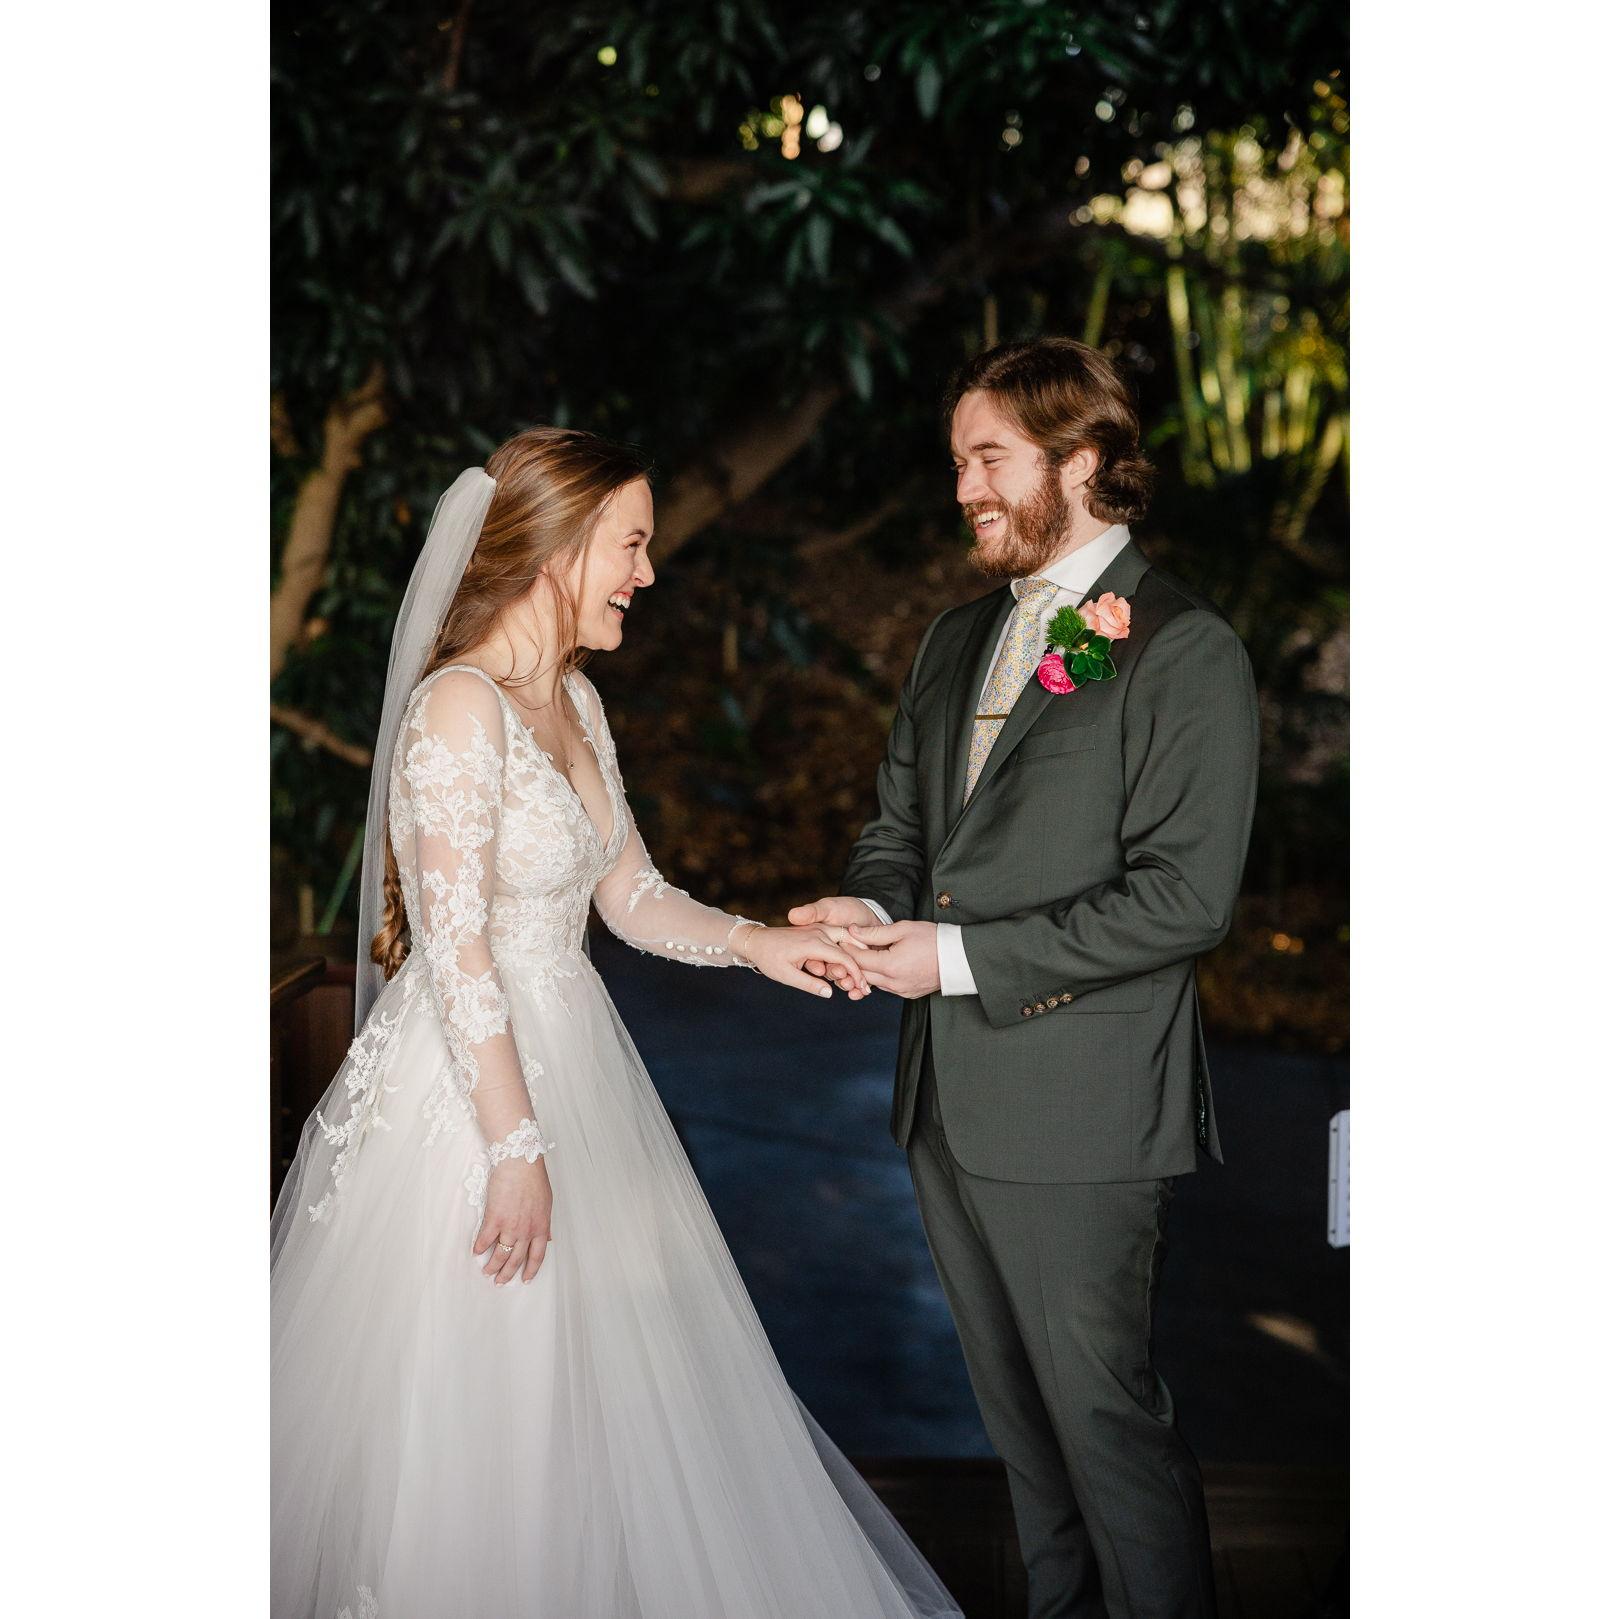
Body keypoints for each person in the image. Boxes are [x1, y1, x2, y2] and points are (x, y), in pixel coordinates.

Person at [271, 427, 962, 1619]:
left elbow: (630, 895)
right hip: (474, 1100)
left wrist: (759, 940)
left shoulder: (577, 702)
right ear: (555, 549)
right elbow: (454, 947)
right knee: (491, 1384)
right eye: (630, 545)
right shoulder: (456, 708)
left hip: (576, 1067)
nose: (646, 571)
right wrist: (513, 1146)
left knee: (604, 1392)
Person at [792, 338, 1260, 1619]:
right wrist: (868, 905)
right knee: (1025, 1442)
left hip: (1081, 1108)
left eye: (987, 458)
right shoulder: (955, 638)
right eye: (957, 462)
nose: (962, 489)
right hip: (944, 1102)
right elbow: (902, 831)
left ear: (1083, 460)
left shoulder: (1182, 648)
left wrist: (949, 958)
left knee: (1105, 1429)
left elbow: (1182, 899)